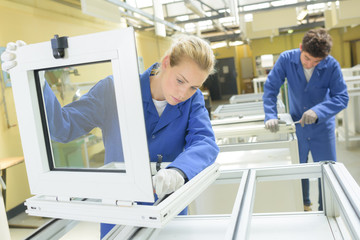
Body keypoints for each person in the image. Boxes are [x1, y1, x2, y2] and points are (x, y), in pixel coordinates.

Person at [1, 34, 219, 238]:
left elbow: (205, 142)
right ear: (166, 62)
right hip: (120, 209)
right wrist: (33, 82)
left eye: (193, 86)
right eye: (180, 80)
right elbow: (62, 127)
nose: (183, 93)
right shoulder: (115, 89)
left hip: (168, 207)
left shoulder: (193, 100)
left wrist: (178, 171)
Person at [263, 28, 349, 211]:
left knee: (326, 172)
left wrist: (318, 111)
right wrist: (270, 115)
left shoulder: (331, 65)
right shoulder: (286, 59)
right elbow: (271, 88)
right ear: (301, 48)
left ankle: (325, 210)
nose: (310, 65)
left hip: (322, 128)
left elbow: (342, 97)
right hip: (297, 126)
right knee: (298, 170)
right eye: (307, 59)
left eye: (317, 61)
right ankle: (304, 205)